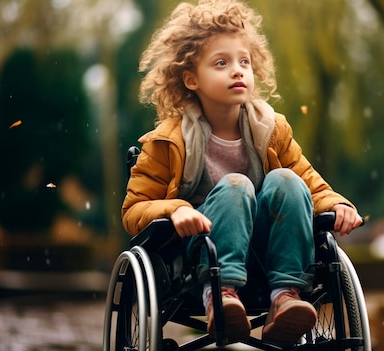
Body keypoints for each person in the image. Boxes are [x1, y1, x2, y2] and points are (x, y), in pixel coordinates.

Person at [122, 0, 363, 346]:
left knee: (286, 180)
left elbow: (311, 183)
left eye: (244, 61)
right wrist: (176, 209)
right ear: (191, 78)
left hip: (265, 258)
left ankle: (285, 299)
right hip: (198, 256)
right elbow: (134, 212)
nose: (238, 71)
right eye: (221, 63)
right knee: (236, 186)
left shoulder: (271, 130)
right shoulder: (167, 143)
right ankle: (221, 298)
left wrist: (337, 205)